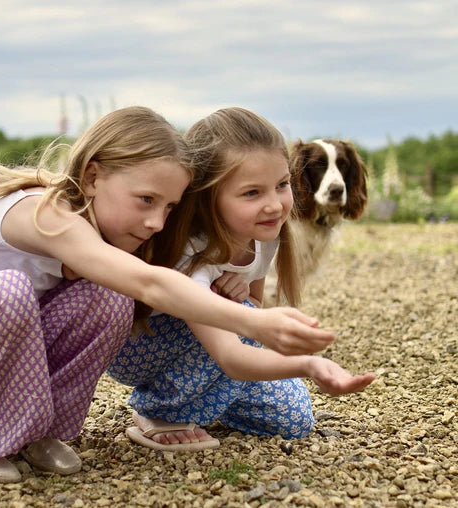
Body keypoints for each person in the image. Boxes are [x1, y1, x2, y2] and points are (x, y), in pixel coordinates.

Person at [0, 106, 339, 484]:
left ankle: (33, 430)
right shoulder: (46, 214)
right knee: (10, 290)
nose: (158, 222)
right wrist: (255, 321)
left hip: (6, 346)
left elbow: (142, 285)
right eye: (146, 201)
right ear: (95, 176)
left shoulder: (110, 230)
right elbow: (149, 282)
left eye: (170, 207)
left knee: (107, 298)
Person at [108, 107, 375, 451]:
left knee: (293, 420)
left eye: (281, 186)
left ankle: (204, 398)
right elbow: (236, 349)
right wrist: (309, 363)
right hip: (145, 350)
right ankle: (158, 411)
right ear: (208, 196)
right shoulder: (193, 252)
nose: (275, 205)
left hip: (211, 348)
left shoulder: (265, 237)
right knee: (248, 319)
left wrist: (243, 309)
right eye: (252, 193)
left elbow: (253, 312)